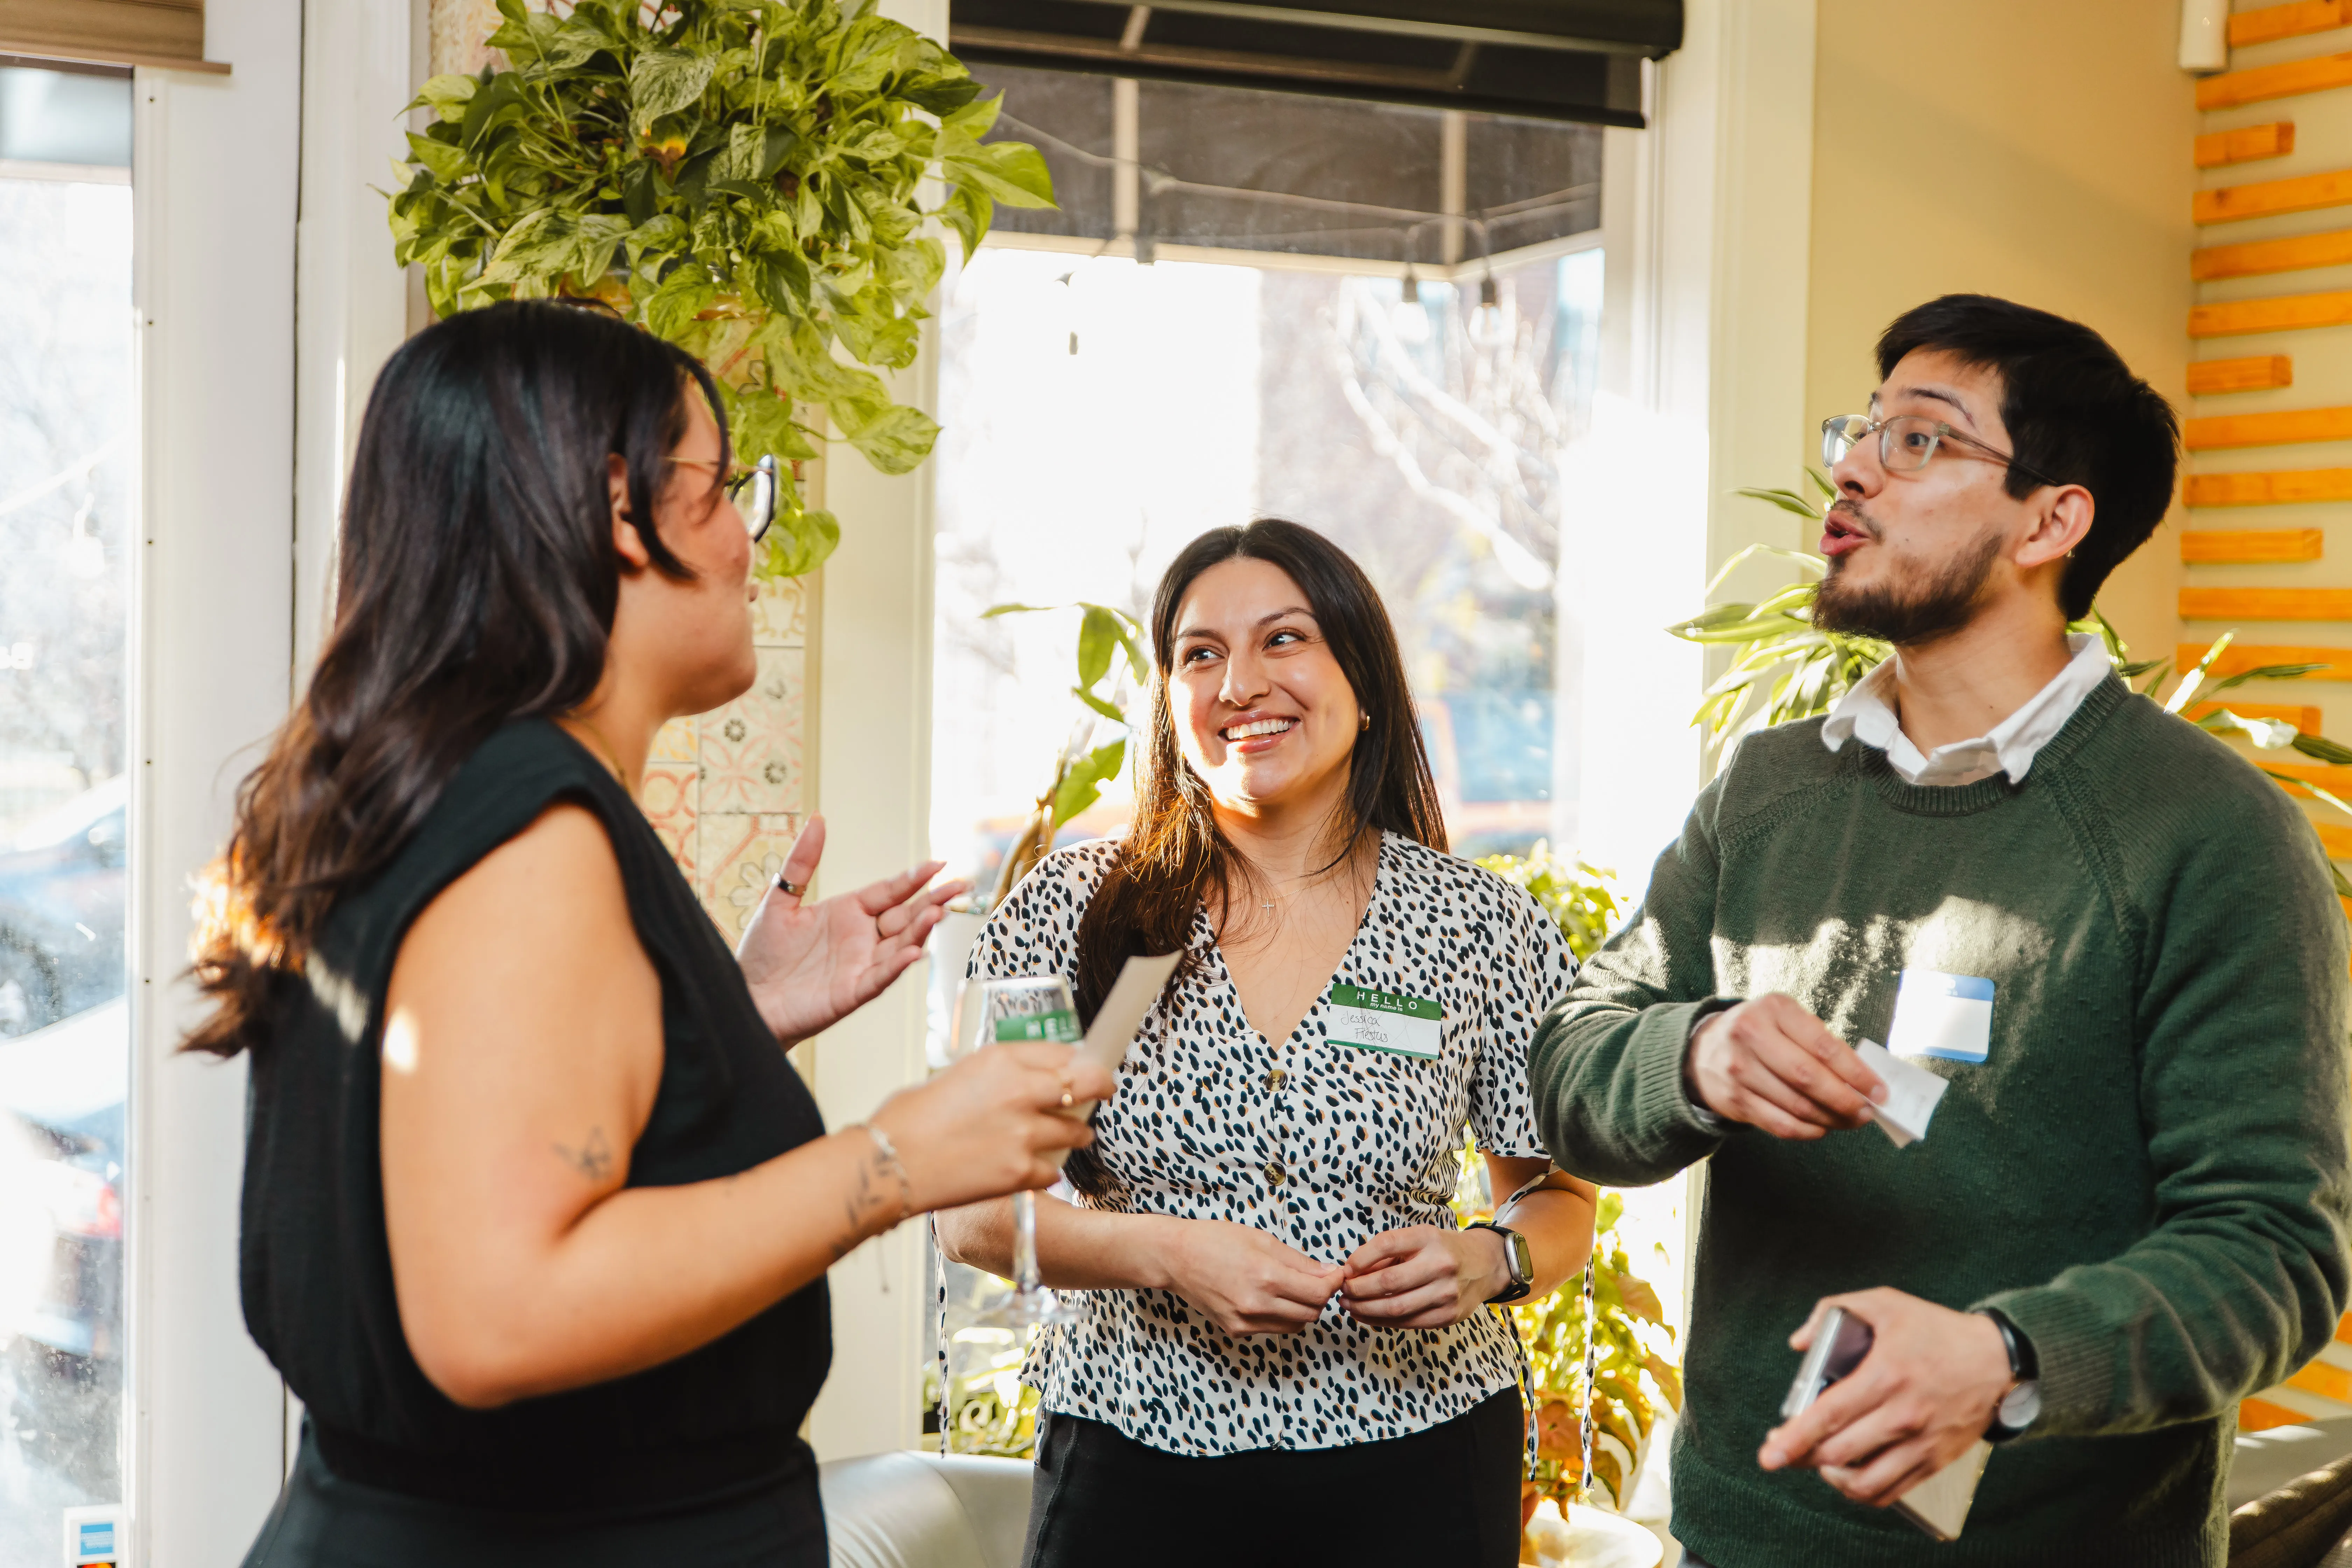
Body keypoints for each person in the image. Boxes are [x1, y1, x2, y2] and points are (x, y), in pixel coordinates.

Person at [186, 300, 1115, 1567]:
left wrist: (723, 1028)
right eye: (725, 489)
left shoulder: (435, 792)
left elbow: (490, 1140)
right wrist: (896, 1158)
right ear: (619, 509)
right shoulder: (527, 829)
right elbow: (499, 1316)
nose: (749, 541)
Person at [1531, 294, 2352, 1567]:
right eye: (1861, 431)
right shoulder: (1764, 790)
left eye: (1920, 440)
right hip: (1735, 1546)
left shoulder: (2214, 832)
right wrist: (1693, 1057)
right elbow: (1572, 1063)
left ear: (2052, 519)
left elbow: (2271, 1256)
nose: (1853, 467)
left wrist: (2005, 1360)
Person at [934, 518, 1597, 1568]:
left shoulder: (1485, 928)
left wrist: (1489, 1259)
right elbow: (973, 1215)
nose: (1241, 683)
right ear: (1170, 699)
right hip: (1134, 1453)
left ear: (1364, 678)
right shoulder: (1068, 913)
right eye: (1201, 654)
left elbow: (1559, 1198)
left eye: (1285, 640)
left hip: (1422, 1458)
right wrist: (1167, 1253)